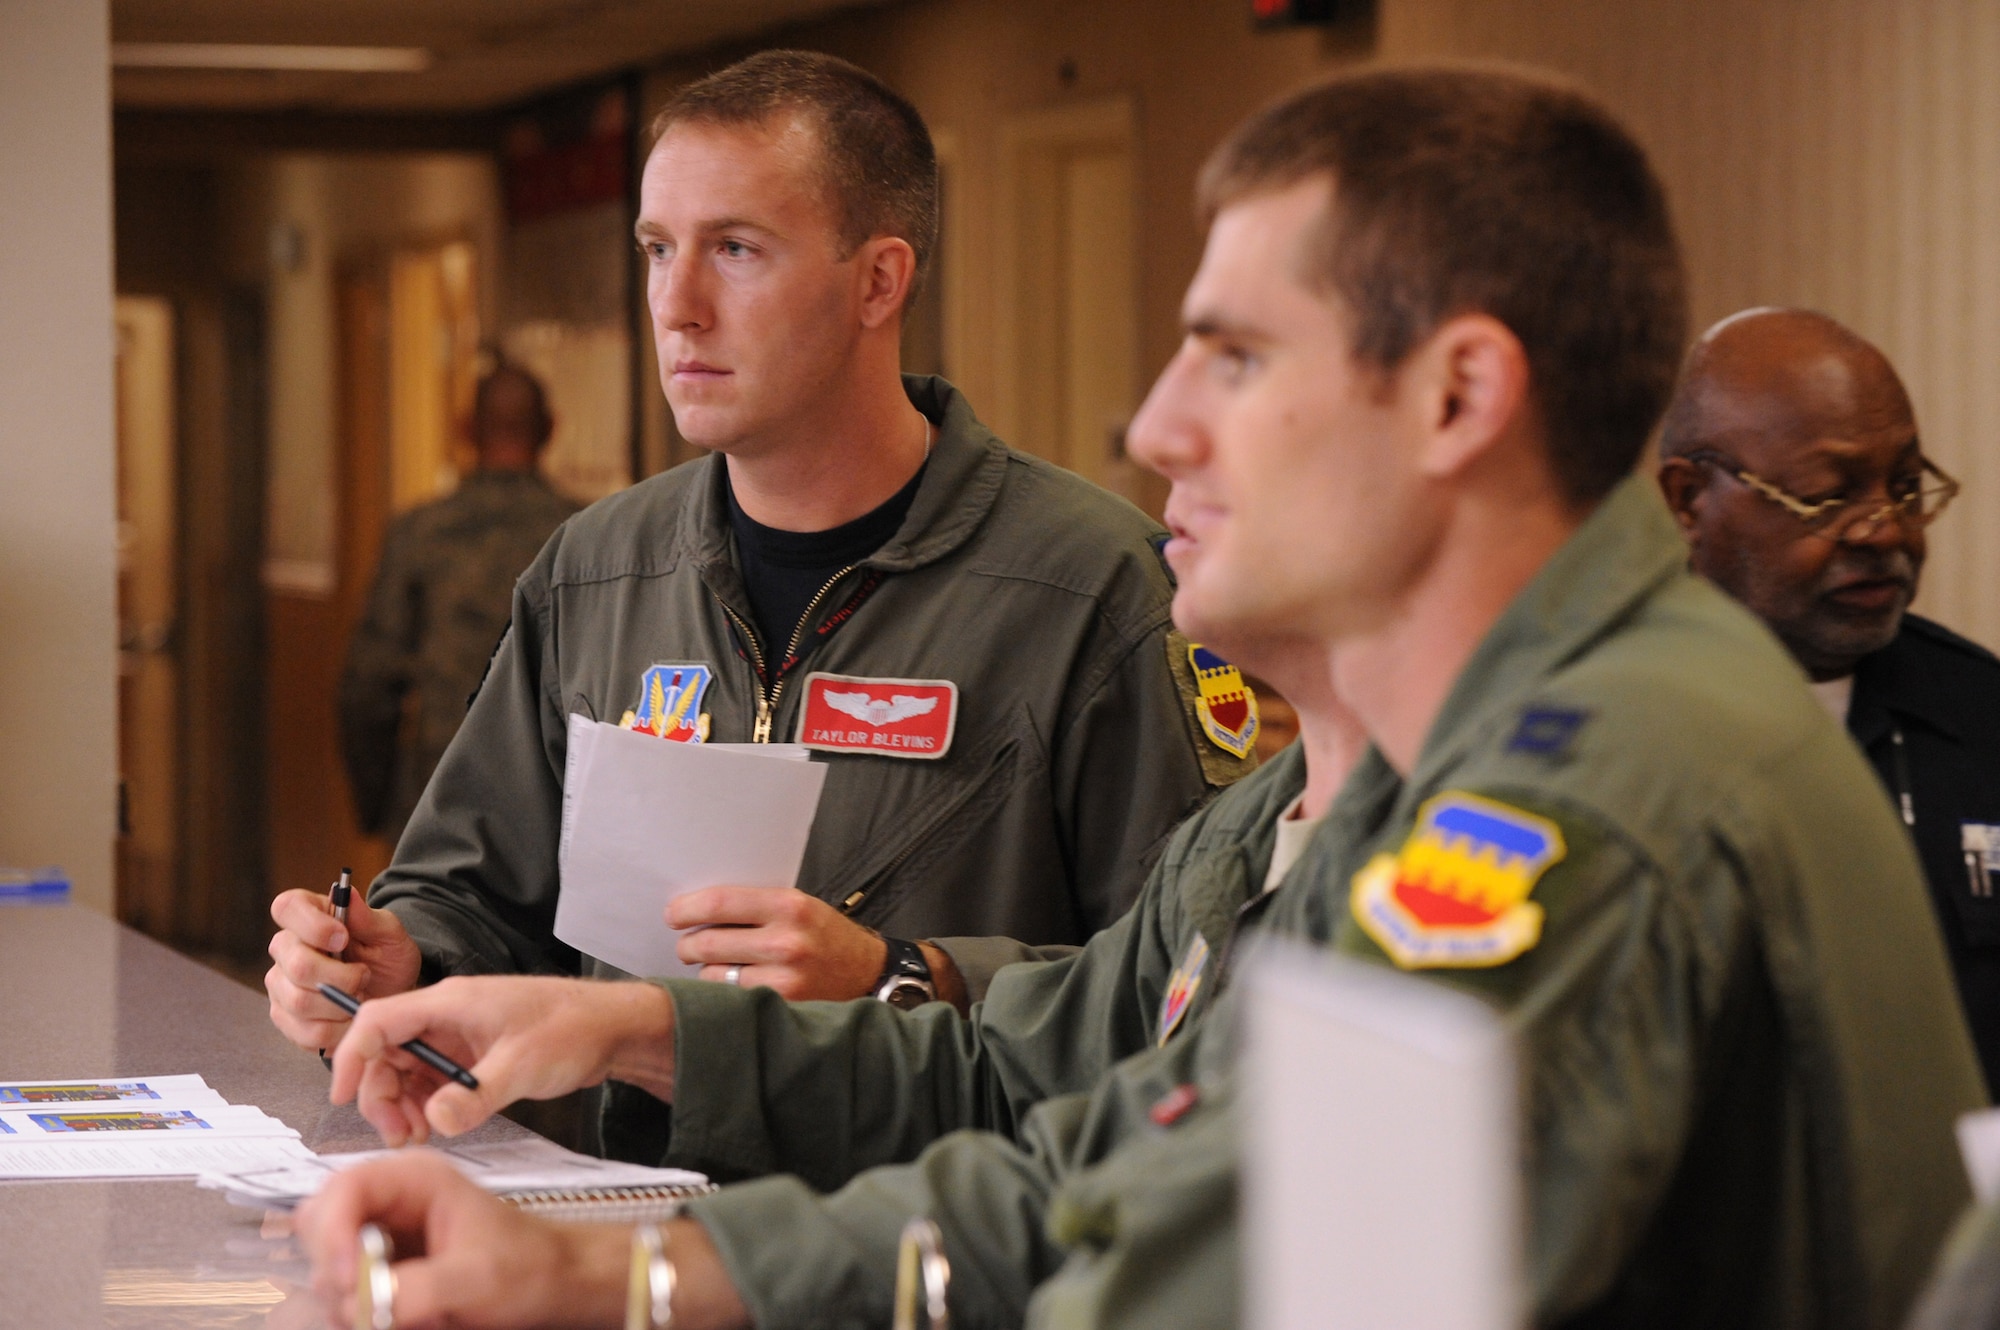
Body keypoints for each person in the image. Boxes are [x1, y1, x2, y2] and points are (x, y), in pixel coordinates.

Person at [297, 67, 1982, 1330]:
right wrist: (635, 1058)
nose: (1159, 423)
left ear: (1461, 395)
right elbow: (1068, 1114)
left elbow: (1208, 1263)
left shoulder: (1578, 803)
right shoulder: (1393, 778)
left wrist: (644, 1287)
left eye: (1235, 356)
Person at [268, 48, 1249, 1060]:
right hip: (633, 1205)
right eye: (657, 248)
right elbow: (469, 892)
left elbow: (1185, 979)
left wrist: (900, 978)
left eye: (734, 249)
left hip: (932, 1206)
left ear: (878, 280)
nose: (676, 302)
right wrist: (403, 961)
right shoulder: (598, 571)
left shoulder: (1094, 588)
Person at [1657, 307, 2000, 1095]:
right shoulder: (1605, 727)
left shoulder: (1981, 714)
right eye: (1827, 496)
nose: (1886, 531)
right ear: (1688, 500)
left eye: (1908, 488)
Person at [338, 365, 580, 847]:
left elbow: (367, 686)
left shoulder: (419, 536)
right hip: (556, 794)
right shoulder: (582, 538)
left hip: (439, 791)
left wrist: (376, 803)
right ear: (550, 429)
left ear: (466, 429)